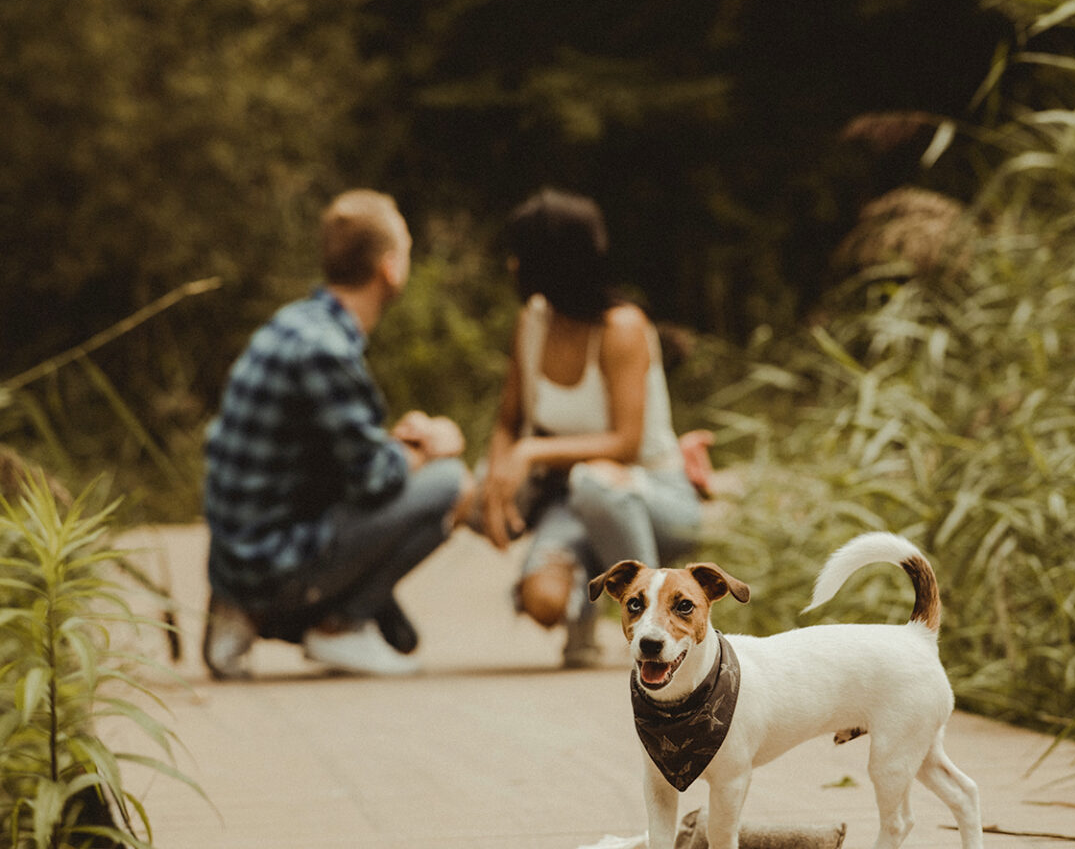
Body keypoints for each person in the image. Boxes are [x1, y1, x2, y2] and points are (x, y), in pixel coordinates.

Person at [201, 189, 472, 679]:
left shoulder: (290, 325)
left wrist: (397, 444)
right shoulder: (326, 350)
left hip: (237, 557)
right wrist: (434, 442)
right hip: (269, 566)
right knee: (451, 482)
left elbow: (325, 457)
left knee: (401, 637)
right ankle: (338, 628)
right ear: (390, 268)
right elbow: (374, 480)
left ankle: (242, 611)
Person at [477, 188, 704, 666]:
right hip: (570, 497)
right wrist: (498, 480)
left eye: (520, 254)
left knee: (593, 481)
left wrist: (531, 453)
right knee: (540, 597)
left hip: (649, 493)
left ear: (550, 261)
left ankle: (653, 624)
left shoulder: (621, 327)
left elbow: (625, 443)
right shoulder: (532, 322)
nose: (512, 265)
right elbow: (506, 421)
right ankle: (581, 614)